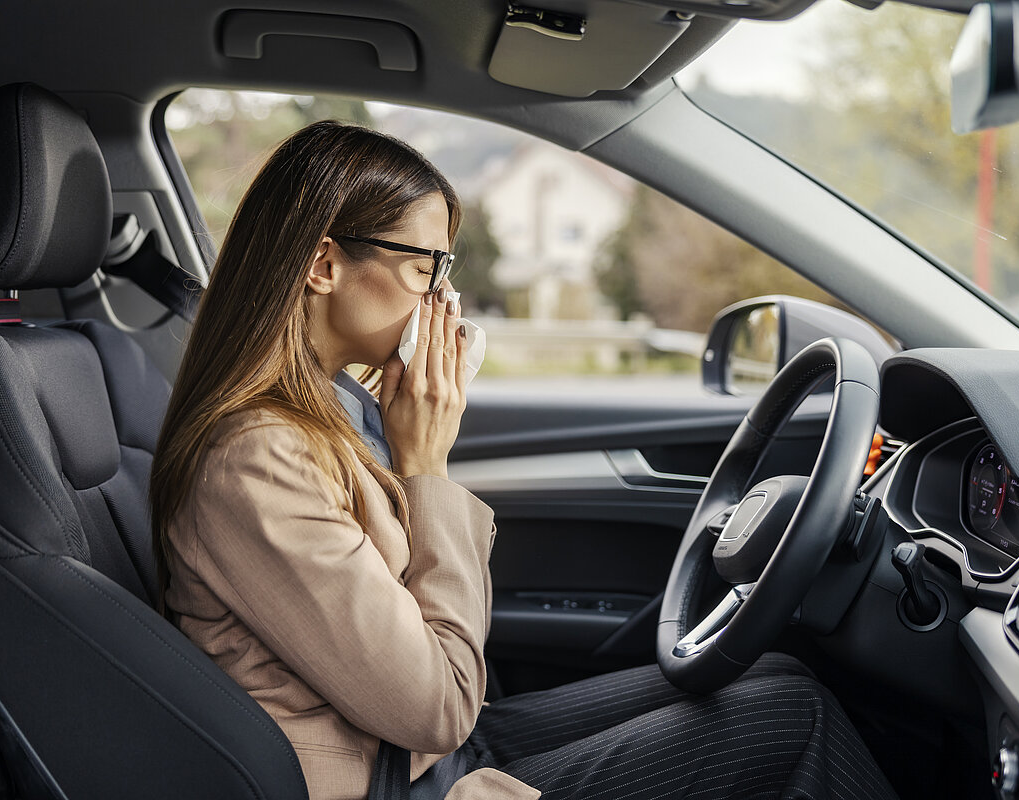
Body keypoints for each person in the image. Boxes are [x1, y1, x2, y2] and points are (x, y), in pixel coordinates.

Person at [149, 121, 901, 800]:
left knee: (777, 676)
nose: (445, 300)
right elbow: (440, 705)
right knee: (789, 717)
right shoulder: (256, 456)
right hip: (394, 778)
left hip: (407, 750)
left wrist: (400, 434)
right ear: (322, 265)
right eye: (426, 270)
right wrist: (428, 466)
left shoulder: (332, 409)